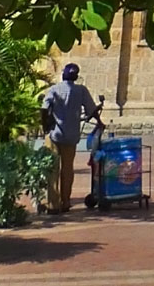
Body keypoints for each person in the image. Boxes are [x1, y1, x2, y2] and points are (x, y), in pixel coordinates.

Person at [40, 63, 99, 213]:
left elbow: (44, 108)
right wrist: (99, 122)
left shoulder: (54, 90)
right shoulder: (81, 91)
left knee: (52, 169)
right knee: (67, 169)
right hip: (71, 135)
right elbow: (91, 110)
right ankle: (66, 202)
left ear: (63, 75)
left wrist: (45, 126)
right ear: (76, 77)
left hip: (54, 134)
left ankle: (53, 204)